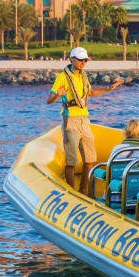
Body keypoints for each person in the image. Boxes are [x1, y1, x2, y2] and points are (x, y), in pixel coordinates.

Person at [46, 46, 124, 197]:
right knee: (71, 161)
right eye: (81, 60)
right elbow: (49, 99)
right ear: (72, 59)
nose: (83, 63)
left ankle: (84, 190)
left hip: (84, 119)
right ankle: (71, 192)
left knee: (90, 159)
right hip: (71, 120)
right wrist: (58, 95)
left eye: (85, 60)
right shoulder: (63, 77)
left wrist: (108, 89)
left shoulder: (84, 76)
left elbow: (90, 92)